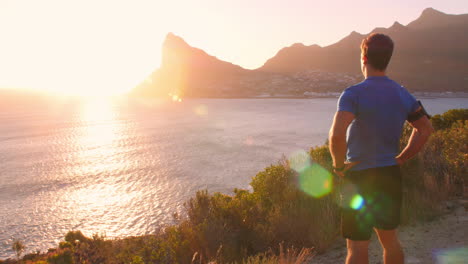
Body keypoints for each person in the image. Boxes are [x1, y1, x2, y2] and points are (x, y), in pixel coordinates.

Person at [328, 33, 434, 264]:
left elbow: (336, 136)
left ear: (364, 58)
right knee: (390, 240)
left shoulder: (353, 93)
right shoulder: (401, 93)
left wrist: (338, 167)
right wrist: (402, 158)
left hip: (357, 177)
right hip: (389, 175)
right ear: (387, 59)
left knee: (357, 247)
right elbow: (424, 129)